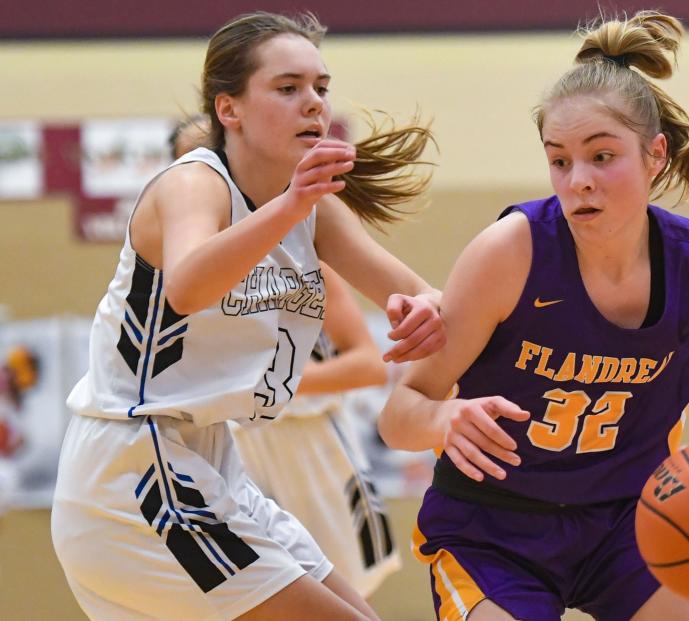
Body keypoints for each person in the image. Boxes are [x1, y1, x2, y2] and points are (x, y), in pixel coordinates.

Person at [378, 11, 689, 621]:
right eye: (559, 161)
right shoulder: (509, 252)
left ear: (655, 155)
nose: (578, 180)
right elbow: (399, 416)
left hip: (634, 524)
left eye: (601, 156)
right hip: (494, 534)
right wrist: (443, 417)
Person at [52, 11, 443, 621]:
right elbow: (185, 285)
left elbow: (422, 295)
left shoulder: (311, 207)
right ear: (228, 109)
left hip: (213, 460)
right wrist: (292, 204)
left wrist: (423, 311)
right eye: (288, 88)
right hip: (134, 465)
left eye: (320, 87)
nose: (313, 103)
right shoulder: (195, 184)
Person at [169, 116, 402, 599]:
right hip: (231, 444)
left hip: (312, 443)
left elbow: (368, 363)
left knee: (344, 596)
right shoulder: (183, 266)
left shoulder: (302, 253)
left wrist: (276, 384)